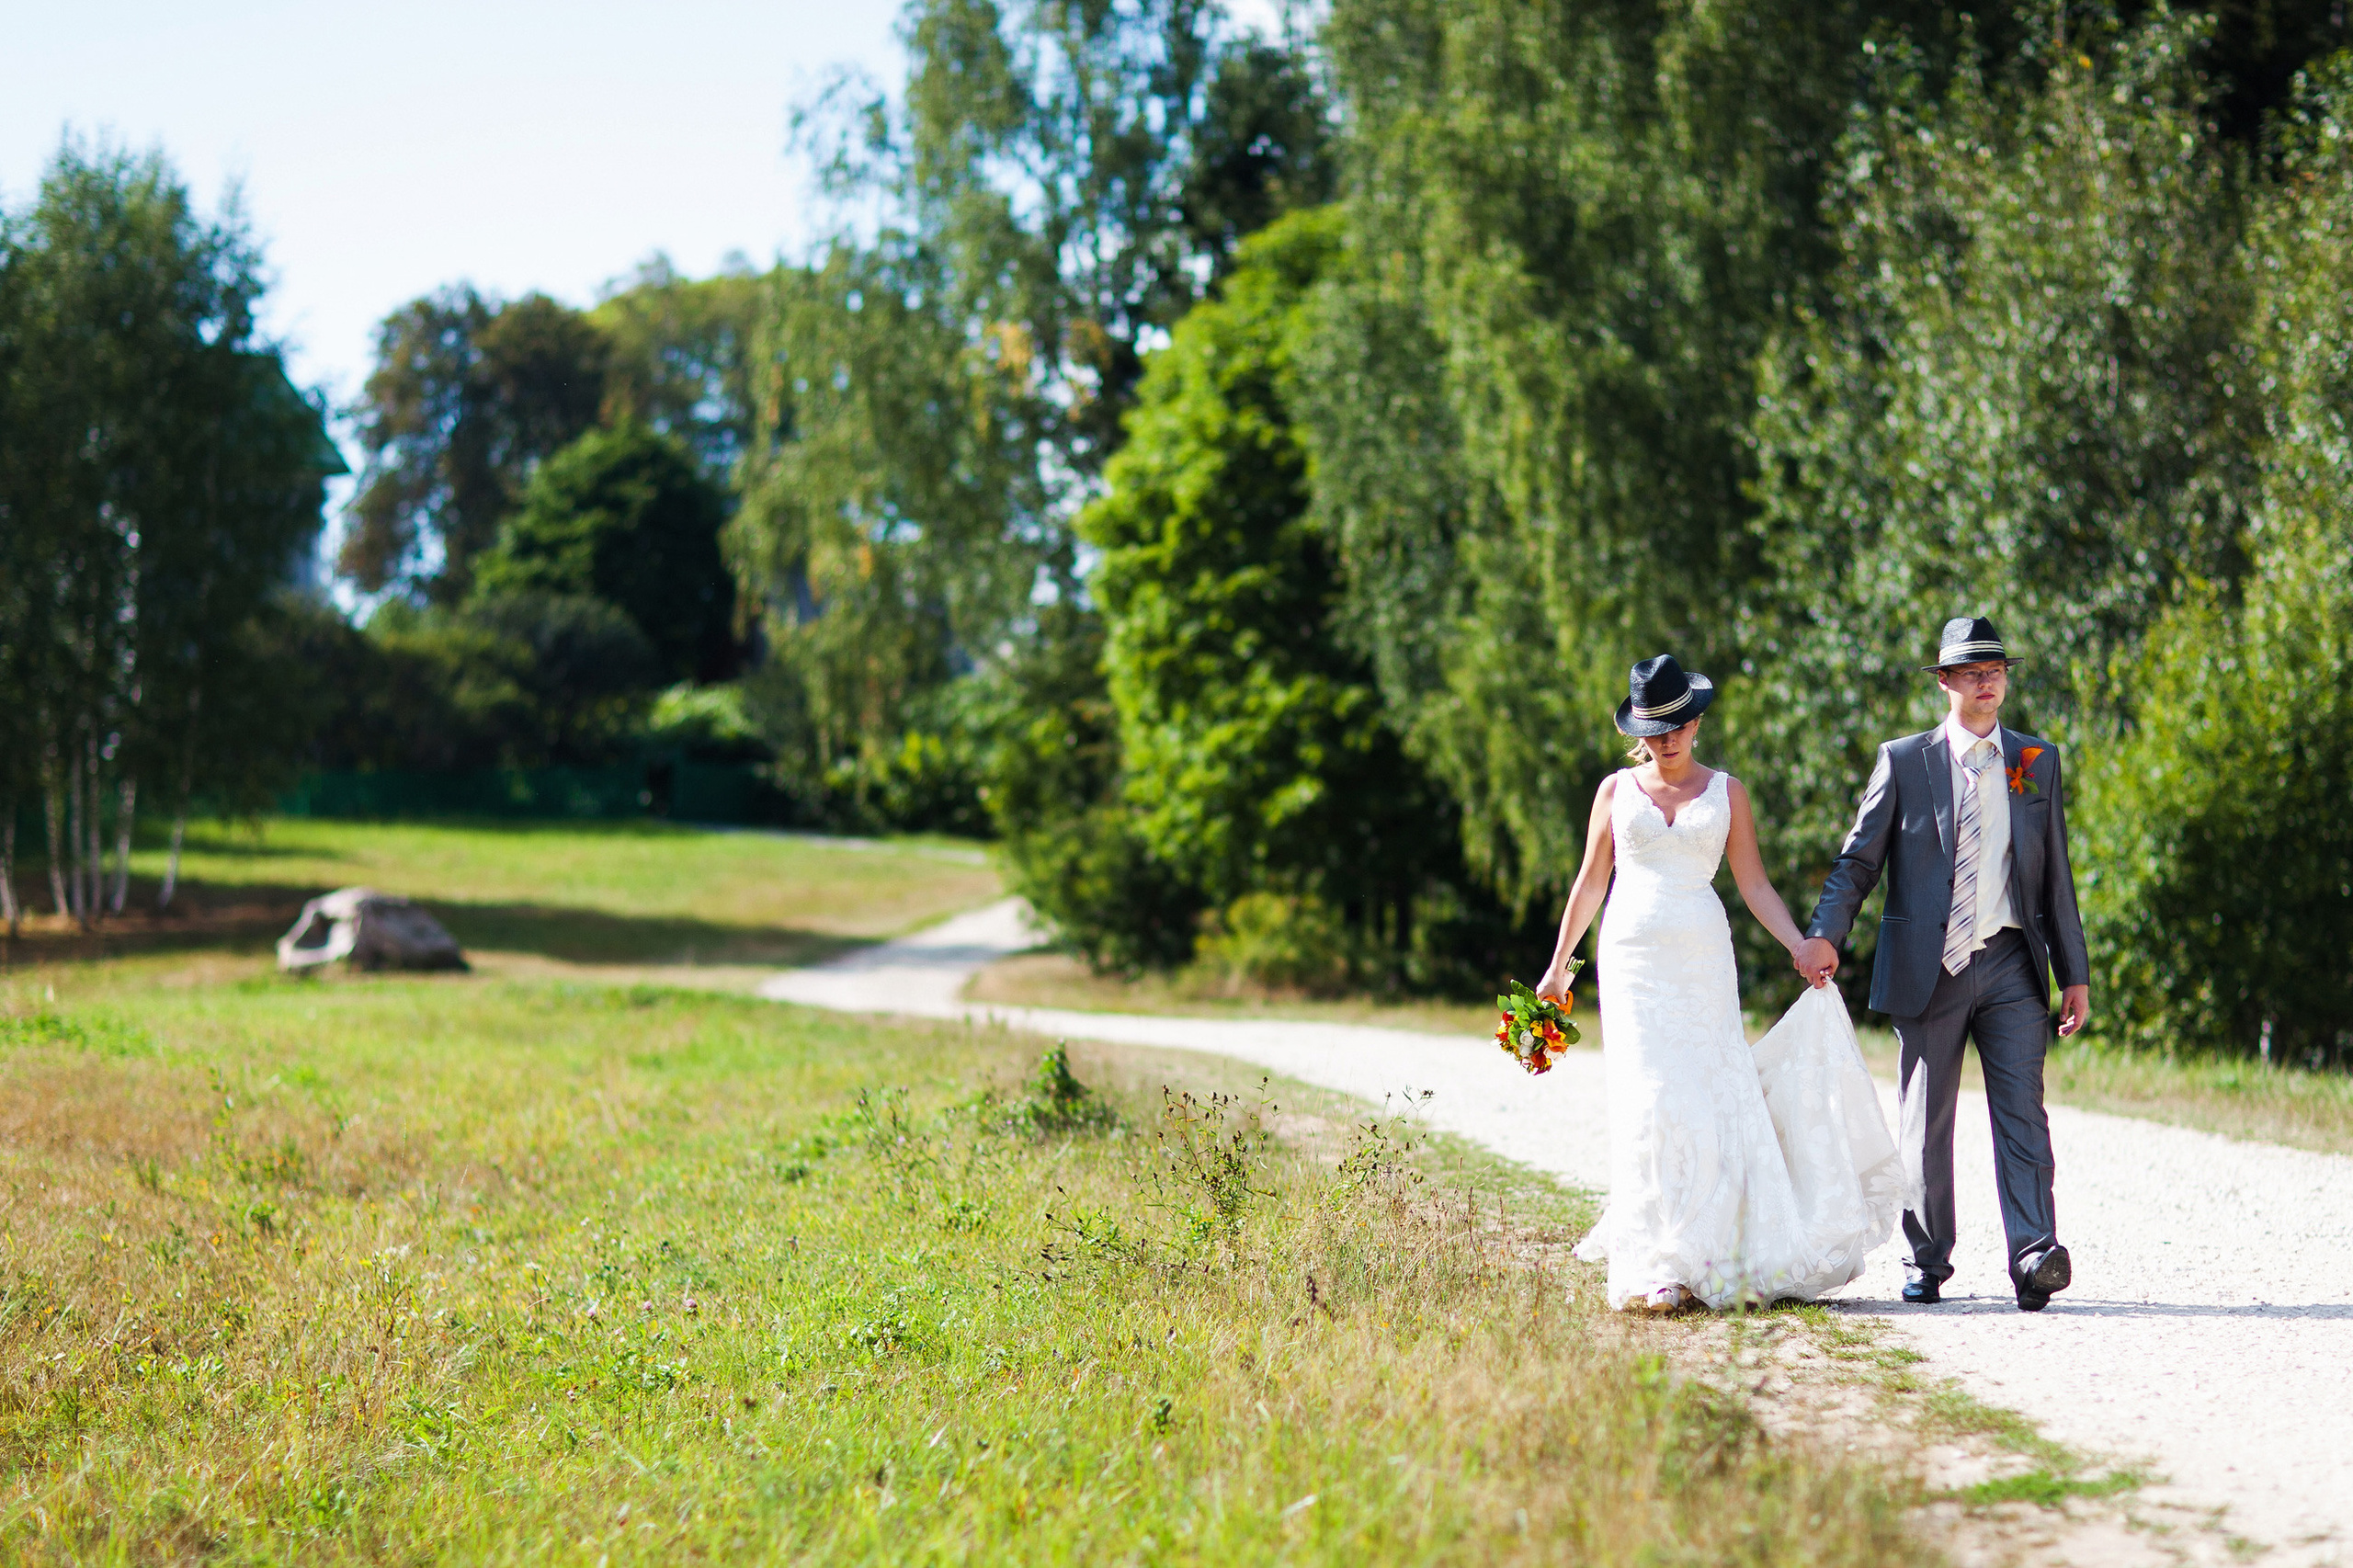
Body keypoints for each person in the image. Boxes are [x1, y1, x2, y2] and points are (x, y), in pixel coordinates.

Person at [1537, 655, 1901, 1313]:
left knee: (1707, 1096)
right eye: (1654, 727)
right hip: (1632, 962)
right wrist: (1559, 965)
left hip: (1701, 960)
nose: (1666, 738)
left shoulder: (1727, 792)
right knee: (1651, 1100)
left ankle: (1714, 1251)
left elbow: (1753, 883)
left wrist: (1799, 945)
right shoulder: (1615, 792)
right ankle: (1662, 1264)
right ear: (1636, 730)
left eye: (1677, 724)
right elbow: (1591, 881)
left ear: (1697, 722)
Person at [1794, 617, 2091, 1312]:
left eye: (1997, 670)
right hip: (1931, 965)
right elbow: (1858, 861)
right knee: (1926, 1117)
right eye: (1973, 671)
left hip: (2015, 961)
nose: (1989, 681)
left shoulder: (2036, 761)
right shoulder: (1903, 760)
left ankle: (2033, 1254)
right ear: (1947, 682)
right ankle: (1927, 1258)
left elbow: (2057, 880)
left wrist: (2073, 972)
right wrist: (1824, 934)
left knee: (2023, 1110)